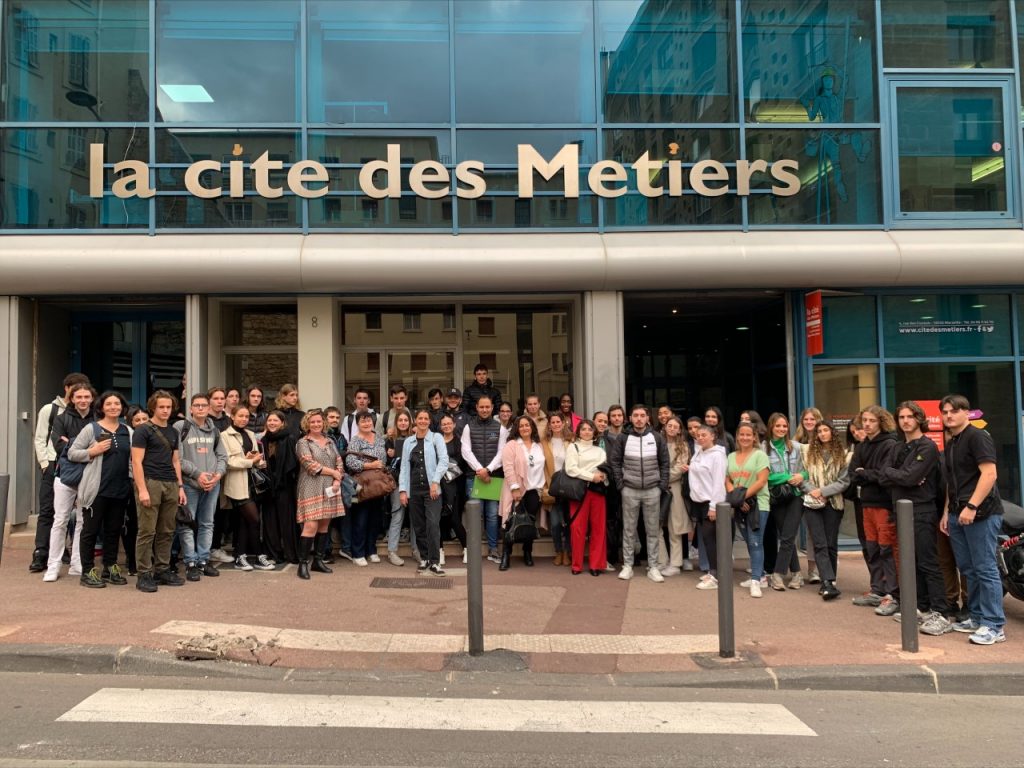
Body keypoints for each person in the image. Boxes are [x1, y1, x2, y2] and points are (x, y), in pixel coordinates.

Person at [879, 401, 950, 634]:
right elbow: (883, 476)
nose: (905, 421)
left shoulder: (928, 446)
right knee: (911, 561)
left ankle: (941, 612)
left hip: (922, 510)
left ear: (919, 419)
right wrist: (902, 476)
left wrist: (902, 476)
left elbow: (909, 477)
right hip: (900, 509)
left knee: (928, 561)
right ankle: (922, 606)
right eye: (901, 417)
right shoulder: (897, 447)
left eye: (910, 416)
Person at [940, 394, 1005, 645]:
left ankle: (994, 625)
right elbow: (952, 482)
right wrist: (947, 512)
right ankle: (977, 617)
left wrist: (972, 506)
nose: (949, 416)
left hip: (982, 513)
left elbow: (989, 474)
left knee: (985, 568)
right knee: (968, 568)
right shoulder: (952, 441)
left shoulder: (977, 437)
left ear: (966, 413)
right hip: (958, 513)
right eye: (945, 412)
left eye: (954, 411)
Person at [69, 390, 132, 588]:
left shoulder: (128, 431)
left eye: (117, 403)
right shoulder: (91, 429)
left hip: (120, 490)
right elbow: (72, 453)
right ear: (102, 407)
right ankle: (87, 571)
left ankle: (110, 567)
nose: (113, 407)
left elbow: (133, 459)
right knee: (90, 531)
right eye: (109, 404)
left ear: (122, 407)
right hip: (96, 490)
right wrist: (92, 451)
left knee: (113, 530)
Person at [31, 372, 90, 573]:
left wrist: (74, 445)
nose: (81, 397)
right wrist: (44, 463)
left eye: (85, 393)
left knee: (77, 514)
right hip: (54, 464)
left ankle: (67, 553)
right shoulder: (51, 409)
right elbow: (41, 438)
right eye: (75, 390)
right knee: (49, 510)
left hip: (81, 466)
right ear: (67, 389)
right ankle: (41, 552)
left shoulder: (90, 414)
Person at [131, 390, 188, 593]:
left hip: (170, 483)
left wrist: (180, 487)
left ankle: (162, 570)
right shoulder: (142, 430)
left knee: (167, 531)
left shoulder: (173, 431)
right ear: (153, 408)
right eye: (161, 407)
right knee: (147, 531)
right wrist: (142, 490)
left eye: (168, 407)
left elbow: (176, 461)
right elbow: (136, 462)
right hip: (150, 482)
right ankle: (144, 574)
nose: (165, 410)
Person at [607, 404, 669, 583]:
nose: (639, 419)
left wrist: (661, 486)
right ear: (631, 418)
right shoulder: (623, 438)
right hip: (629, 490)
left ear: (648, 418)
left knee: (652, 530)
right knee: (629, 530)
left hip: (652, 490)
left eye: (642, 415)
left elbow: (665, 463)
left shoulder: (656, 437)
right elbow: (615, 462)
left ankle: (653, 566)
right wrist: (621, 485)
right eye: (636, 416)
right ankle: (627, 566)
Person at [42, 382, 96, 582]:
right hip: (64, 476)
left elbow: (101, 445)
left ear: (92, 398)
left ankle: (77, 562)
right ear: (72, 398)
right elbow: (59, 446)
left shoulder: (97, 419)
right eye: (79, 397)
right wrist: (87, 448)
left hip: (89, 476)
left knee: (83, 521)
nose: (83, 400)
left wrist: (72, 443)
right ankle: (53, 565)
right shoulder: (61, 418)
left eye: (86, 397)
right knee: (60, 520)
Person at [850, 406, 899, 613]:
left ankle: (892, 594)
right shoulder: (862, 446)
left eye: (872, 420)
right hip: (866, 503)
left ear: (881, 422)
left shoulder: (890, 444)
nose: (867, 424)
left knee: (887, 549)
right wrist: (867, 474)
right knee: (872, 548)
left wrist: (865, 474)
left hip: (884, 504)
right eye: (865, 420)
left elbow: (884, 475)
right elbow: (853, 474)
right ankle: (877, 590)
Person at [173, 393, 227, 582]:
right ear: (191, 408)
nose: (201, 408)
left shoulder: (215, 431)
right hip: (190, 484)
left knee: (207, 523)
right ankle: (190, 563)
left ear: (209, 408)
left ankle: (203, 560)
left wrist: (217, 475)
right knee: (187, 523)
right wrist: (197, 474)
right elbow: (177, 459)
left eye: (204, 405)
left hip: (212, 484)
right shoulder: (181, 427)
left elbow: (222, 456)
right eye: (197, 405)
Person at [222, 405, 276, 572]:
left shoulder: (250, 434)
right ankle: (259, 556)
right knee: (254, 520)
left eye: (246, 416)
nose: (244, 419)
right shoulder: (224, 436)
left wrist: (259, 462)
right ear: (232, 417)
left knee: (245, 521)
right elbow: (227, 461)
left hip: (252, 484)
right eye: (240, 416)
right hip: (237, 485)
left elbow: (254, 456)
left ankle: (240, 556)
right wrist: (250, 461)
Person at [801, 420, 850, 601]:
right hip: (812, 503)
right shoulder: (807, 453)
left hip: (834, 503)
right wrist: (813, 491)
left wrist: (823, 492)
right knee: (819, 543)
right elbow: (802, 477)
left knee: (830, 544)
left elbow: (844, 481)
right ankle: (827, 582)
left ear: (832, 432)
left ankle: (830, 581)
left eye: (825, 430)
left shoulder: (843, 455)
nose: (822, 434)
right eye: (819, 431)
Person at [295, 409, 345, 579]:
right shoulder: (303, 442)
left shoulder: (330, 441)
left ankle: (318, 561)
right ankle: (302, 564)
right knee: (310, 526)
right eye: (312, 422)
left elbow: (339, 462)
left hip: (330, 488)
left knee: (324, 525)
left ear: (323, 423)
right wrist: (334, 473)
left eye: (318, 421)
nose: (316, 424)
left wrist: (337, 480)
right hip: (310, 486)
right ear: (307, 424)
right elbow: (310, 465)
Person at [399, 409, 449, 576]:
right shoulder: (408, 442)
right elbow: (404, 467)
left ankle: (435, 562)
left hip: (432, 490)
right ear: (415, 420)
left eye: (426, 418)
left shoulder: (436, 438)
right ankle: (425, 558)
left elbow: (444, 460)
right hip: (414, 490)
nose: (422, 421)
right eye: (420, 418)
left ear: (429, 421)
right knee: (419, 526)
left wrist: (435, 482)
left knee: (433, 524)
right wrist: (403, 490)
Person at [461, 396, 509, 563]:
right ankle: (473, 550)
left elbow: (502, 452)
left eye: (487, 407)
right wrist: (480, 470)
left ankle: (493, 549)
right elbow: (465, 451)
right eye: (481, 407)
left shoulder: (500, 428)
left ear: (492, 408)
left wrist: (488, 469)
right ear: (476, 407)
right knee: (475, 514)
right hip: (474, 477)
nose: (484, 410)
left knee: (492, 515)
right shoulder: (468, 426)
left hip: (493, 478)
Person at [726, 421, 770, 597]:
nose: (744, 437)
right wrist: (736, 498)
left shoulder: (760, 455)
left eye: (748, 435)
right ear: (737, 436)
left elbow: (761, 481)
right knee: (748, 541)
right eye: (741, 434)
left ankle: (755, 581)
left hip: (758, 504)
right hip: (739, 505)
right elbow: (727, 479)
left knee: (755, 541)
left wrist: (742, 497)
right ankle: (761, 575)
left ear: (754, 437)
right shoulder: (731, 456)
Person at [765, 412, 807, 592]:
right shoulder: (763, 448)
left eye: (784, 426)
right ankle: (797, 573)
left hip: (796, 495)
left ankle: (777, 574)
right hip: (777, 497)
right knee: (786, 536)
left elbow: (808, 469)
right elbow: (765, 476)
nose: (781, 429)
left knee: (788, 536)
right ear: (771, 427)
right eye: (778, 426)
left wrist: (801, 475)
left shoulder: (796, 447)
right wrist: (787, 477)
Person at [496, 415, 544, 570]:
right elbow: (508, 467)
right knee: (510, 522)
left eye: (527, 425)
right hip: (516, 490)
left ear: (532, 427)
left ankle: (527, 552)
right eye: (521, 426)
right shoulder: (511, 445)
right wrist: (515, 487)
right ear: (517, 428)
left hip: (534, 490)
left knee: (529, 523)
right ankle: (506, 555)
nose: (524, 428)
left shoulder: (538, 445)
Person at [344, 410, 388, 567]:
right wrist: (370, 465)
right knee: (361, 520)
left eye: (369, 420)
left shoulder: (379, 438)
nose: (367, 423)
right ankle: (358, 553)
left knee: (375, 520)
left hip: (378, 485)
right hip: (363, 485)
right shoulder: (355, 440)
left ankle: (371, 551)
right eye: (363, 421)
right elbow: (350, 462)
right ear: (357, 424)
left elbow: (384, 459)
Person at [564, 419, 608, 576]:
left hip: (598, 492)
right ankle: (577, 565)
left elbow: (604, 469)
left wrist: (601, 476)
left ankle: (596, 565)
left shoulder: (600, 450)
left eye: (590, 429)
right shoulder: (573, 447)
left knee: (598, 528)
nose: (587, 432)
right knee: (577, 528)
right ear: (578, 432)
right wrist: (591, 476)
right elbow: (571, 469)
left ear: (594, 432)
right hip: (579, 492)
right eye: (583, 429)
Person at [689, 424, 728, 590]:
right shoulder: (699, 451)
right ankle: (714, 571)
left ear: (713, 436)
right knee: (705, 539)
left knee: (711, 540)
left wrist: (713, 507)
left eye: (704, 435)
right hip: (698, 502)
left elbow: (719, 482)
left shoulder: (718, 456)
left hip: (709, 503)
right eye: (698, 435)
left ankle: (715, 576)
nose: (700, 438)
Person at [260, 410, 300, 565]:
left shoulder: (290, 438)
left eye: (275, 420)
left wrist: (280, 480)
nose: (272, 423)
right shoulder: (263, 440)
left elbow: (292, 464)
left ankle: (291, 553)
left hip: (285, 486)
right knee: (270, 521)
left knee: (287, 521)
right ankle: (274, 553)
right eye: (269, 420)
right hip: (268, 486)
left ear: (282, 423)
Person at [658, 416, 693, 577]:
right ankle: (662, 561)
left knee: (675, 528)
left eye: (675, 426)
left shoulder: (683, 446)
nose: (671, 428)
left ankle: (675, 563)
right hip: (656, 489)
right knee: (656, 526)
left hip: (675, 490)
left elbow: (679, 469)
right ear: (665, 427)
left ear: (679, 430)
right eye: (669, 425)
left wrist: (659, 477)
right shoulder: (657, 443)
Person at [794, 406, 823, 583]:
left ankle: (816, 570)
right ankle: (799, 571)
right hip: (801, 490)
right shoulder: (796, 442)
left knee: (816, 532)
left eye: (813, 419)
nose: (809, 422)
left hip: (820, 492)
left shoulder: (825, 439)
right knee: (795, 531)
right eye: (806, 419)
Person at [541, 411, 571, 566]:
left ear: (563, 423)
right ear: (549, 425)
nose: (556, 424)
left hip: (569, 487)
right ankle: (558, 551)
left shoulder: (571, 440)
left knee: (567, 523)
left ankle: (567, 552)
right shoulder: (544, 443)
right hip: (552, 487)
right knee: (555, 523)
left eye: (558, 422)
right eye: (553, 422)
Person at [438, 413, 469, 564]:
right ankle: (440, 551)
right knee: (437, 519)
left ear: (454, 424)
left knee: (455, 519)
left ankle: (467, 548)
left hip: (455, 486)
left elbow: (460, 463)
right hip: (438, 486)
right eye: (444, 424)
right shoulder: (436, 441)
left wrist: (442, 466)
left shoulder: (460, 442)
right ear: (440, 426)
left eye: (449, 423)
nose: (447, 426)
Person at [385, 411, 414, 566]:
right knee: (397, 514)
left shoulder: (416, 438)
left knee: (415, 517)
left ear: (410, 422)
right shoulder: (390, 440)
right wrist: (390, 455)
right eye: (400, 420)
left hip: (414, 482)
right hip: (396, 482)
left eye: (405, 420)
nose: (403, 423)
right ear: (396, 422)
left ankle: (416, 550)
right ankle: (392, 551)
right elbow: (386, 463)